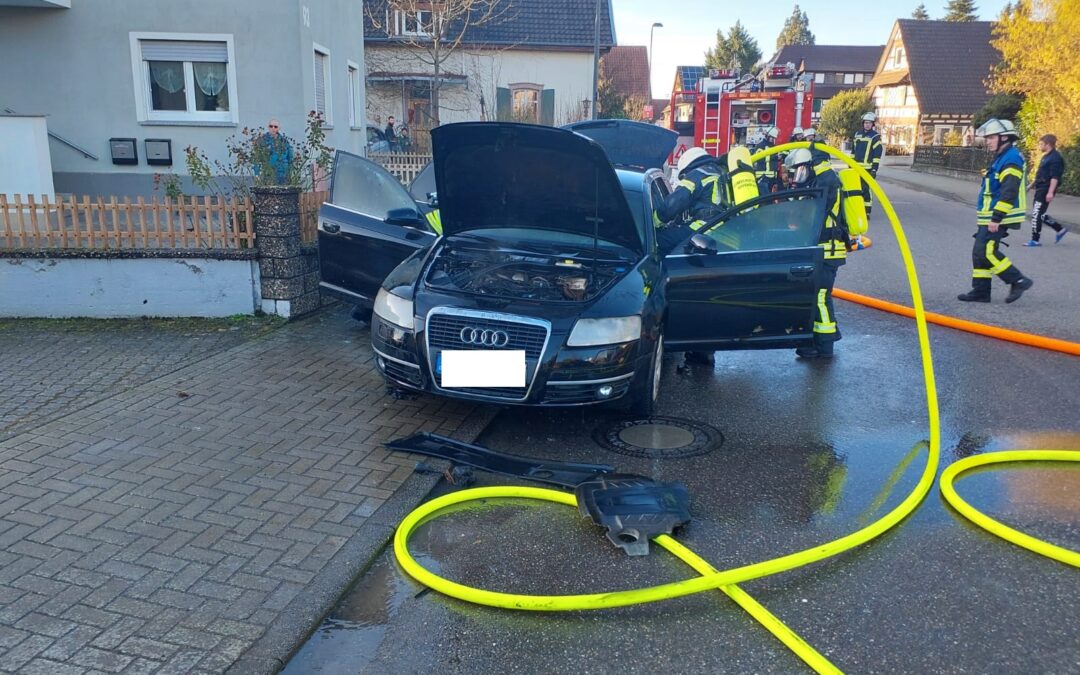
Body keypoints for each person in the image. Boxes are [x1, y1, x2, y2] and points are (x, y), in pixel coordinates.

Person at [655, 147, 731, 365]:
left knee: (657, 243)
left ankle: (657, 286)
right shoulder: (722, 173)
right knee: (705, 295)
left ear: (687, 166)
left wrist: (654, 222)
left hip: (703, 230)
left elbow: (672, 206)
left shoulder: (698, 174)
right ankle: (703, 350)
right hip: (724, 237)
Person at [957, 119, 1034, 303]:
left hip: (999, 215)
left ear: (1004, 137)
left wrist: (997, 217)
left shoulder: (1011, 158)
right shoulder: (1002, 156)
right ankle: (981, 291)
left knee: (986, 251)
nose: (988, 141)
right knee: (979, 252)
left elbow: (1009, 191)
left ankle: (1018, 280)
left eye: (991, 137)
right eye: (987, 138)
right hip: (990, 215)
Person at [783, 147, 848, 359]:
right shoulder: (822, 179)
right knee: (819, 296)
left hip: (827, 250)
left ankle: (824, 345)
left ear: (808, 166)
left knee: (820, 296)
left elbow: (810, 215)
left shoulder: (825, 182)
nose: (798, 176)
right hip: (823, 249)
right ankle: (820, 339)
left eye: (800, 171)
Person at [1024, 134, 1068, 246]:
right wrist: (1030, 186)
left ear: (1048, 144)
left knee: (1036, 214)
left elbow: (1055, 177)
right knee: (1040, 214)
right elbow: (1040, 174)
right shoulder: (1046, 157)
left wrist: (1050, 192)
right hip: (1040, 188)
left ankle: (1035, 240)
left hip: (1045, 189)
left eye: (1041, 144)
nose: (1039, 146)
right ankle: (1060, 229)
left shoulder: (1055, 158)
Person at [852, 112, 883, 216]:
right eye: (866, 123)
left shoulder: (875, 136)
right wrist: (850, 164)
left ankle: (867, 211)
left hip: (868, 168)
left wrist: (874, 169)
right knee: (856, 189)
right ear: (863, 123)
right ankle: (858, 210)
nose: (867, 125)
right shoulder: (857, 134)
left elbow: (877, 154)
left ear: (872, 124)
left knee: (866, 190)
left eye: (869, 123)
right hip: (856, 167)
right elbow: (853, 151)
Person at [256, 118, 295, 185]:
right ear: (268, 127)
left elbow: (290, 157)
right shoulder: (262, 141)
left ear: (279, 128)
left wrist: (291, 173)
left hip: (283, 174)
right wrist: (257, 173)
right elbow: (256, 158)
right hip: (269, 174)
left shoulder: (284, 141)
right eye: (271, 126)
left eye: (275, 126)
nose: (273, 128)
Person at [753, 126, 781, 193]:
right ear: (767, 135)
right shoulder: (760, 146)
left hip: (772, 177)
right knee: (765, 196)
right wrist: (775, 157)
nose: (772, 139)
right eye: (771, 137)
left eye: (774, 138)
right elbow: (760, 159)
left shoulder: (773, 147)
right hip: (763, 177)